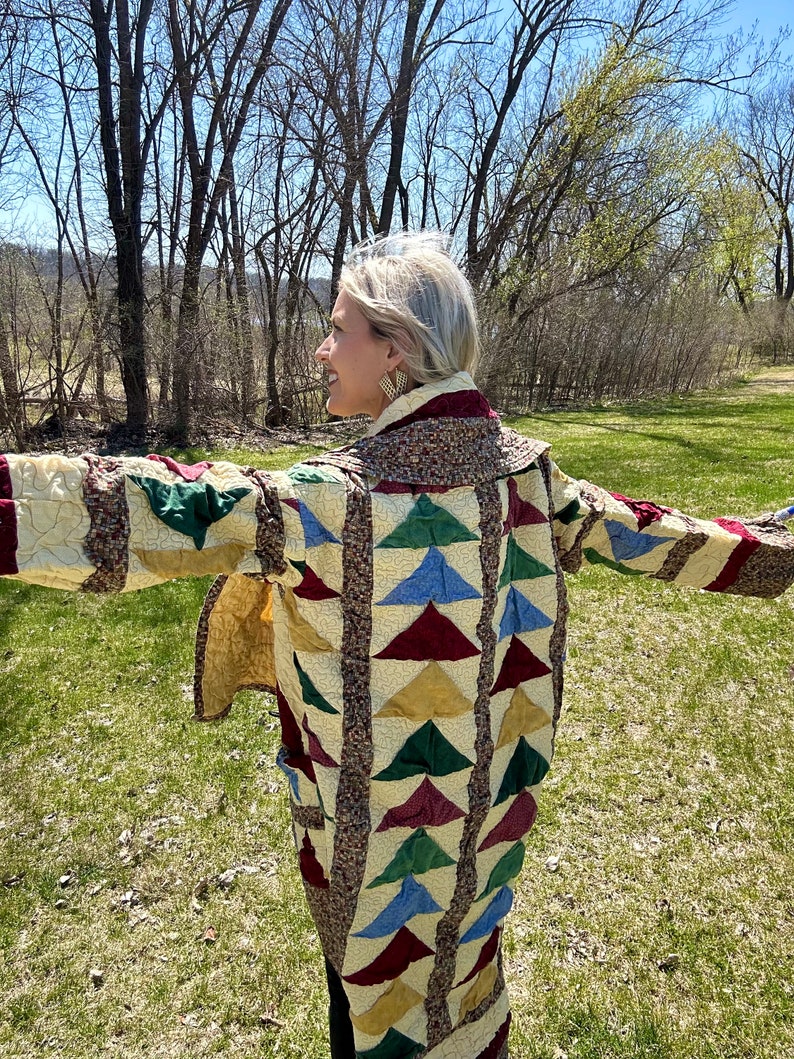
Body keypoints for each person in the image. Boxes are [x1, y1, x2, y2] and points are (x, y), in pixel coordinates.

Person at [1, 232, 792, 1059]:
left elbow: (153, 505)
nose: (320, 349)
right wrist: (778, 545)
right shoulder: (528, 477)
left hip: (370, 849)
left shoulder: (330, 500)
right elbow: (667, 535)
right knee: (460, 976)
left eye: (338, 328)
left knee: (373, 994)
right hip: (481, 827)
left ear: (398, 350)